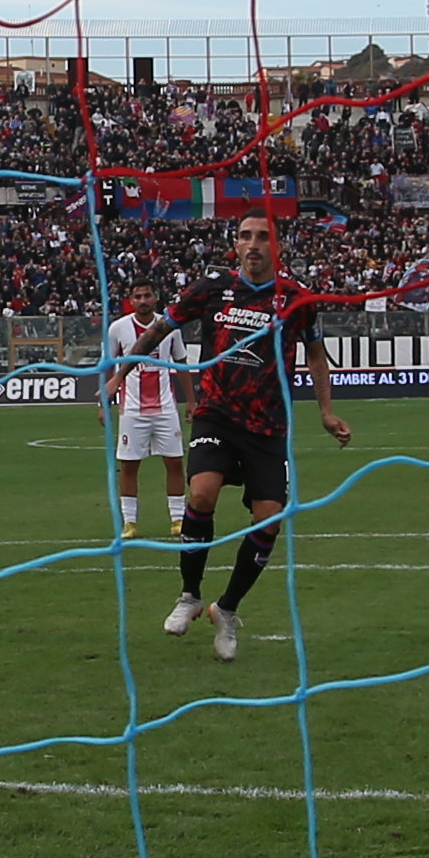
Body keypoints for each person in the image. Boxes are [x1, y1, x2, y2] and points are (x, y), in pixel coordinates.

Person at [164, 213, 352, 660]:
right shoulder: (212, 289)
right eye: (245, 236)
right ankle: (189, 595)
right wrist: (118, 375)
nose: (253, 244)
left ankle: (225, 610)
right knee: (202, 494)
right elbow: (161, 327)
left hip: (268, 425)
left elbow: (315, 353)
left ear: (277, 246)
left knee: (269, 517)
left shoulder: (297, 299)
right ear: (236, 243)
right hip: (216, 415)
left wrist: (325, 411)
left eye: (263, 237)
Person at [101, 278, 188, 540]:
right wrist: (103, 403)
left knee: (174, 463)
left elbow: (181, 363)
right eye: (137, 296)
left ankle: (178, 520)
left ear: (155, 297)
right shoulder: (118, 328)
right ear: (131, 299)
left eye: (147, 295)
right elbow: (108, 366)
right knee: (129, 466)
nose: (142, 301)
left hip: (166, 409)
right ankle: (130, 523)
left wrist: (192, 401)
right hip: (132, 410)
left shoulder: (170, 326)